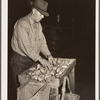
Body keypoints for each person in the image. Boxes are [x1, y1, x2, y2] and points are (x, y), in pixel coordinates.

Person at [10, 0, 56, 99]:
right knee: (21, 91)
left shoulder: (38, 25)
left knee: (32, 90)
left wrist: (48, 55)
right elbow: (26, 48)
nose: (43, 17)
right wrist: (41, 59)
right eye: (41, 14)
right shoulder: (22, 24)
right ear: (34, 10)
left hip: (32, 60)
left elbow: (42, 42)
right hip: (20, 62)